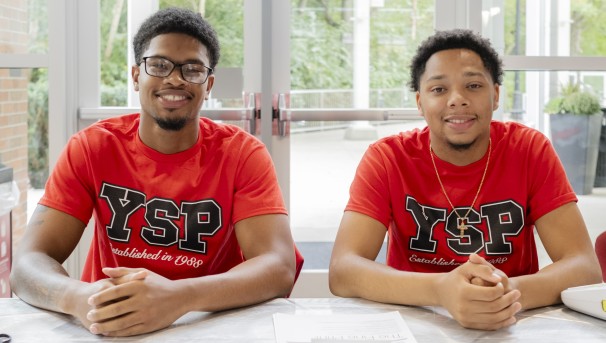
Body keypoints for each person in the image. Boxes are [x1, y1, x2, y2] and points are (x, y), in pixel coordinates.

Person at [11, 7, 302, 337]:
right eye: (159, 65)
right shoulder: (92, 148)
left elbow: (279, 267)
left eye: (192, 69)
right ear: (136, 76)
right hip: (112, 322)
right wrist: (79, 297)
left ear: (208, 85)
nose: (175, 78)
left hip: (211, 323)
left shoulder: (242, 153)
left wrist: (180, 297)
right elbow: (27, 263)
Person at [328, 29, 602, 330]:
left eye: (473, 85)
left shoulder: (529, 150)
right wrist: (441, 290)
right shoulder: (387, 158)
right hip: (415, 320)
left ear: (495, 95)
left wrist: (502, 293)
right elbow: (343, 270)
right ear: (420, 102)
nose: (457, 100)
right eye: (438, 90)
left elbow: (584, 268)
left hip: (511, 319)